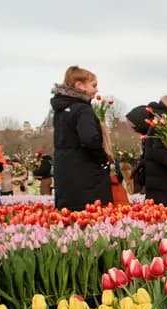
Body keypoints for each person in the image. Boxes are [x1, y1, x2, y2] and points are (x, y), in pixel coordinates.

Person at [50, 65, 112, 211]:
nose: (97, 90)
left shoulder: (60, 111)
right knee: (91, 216)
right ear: (80, 86)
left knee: (70, 217)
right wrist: (103, 159)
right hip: (86, 174)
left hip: (65, 171)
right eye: (93, 85)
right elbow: (89, 139)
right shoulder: (83, 110)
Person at [125, 103, 167, 207]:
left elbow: (161, 154)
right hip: (161, 188)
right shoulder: (151, 133)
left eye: (135, 125)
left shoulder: (157, 131)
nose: (134, 129)